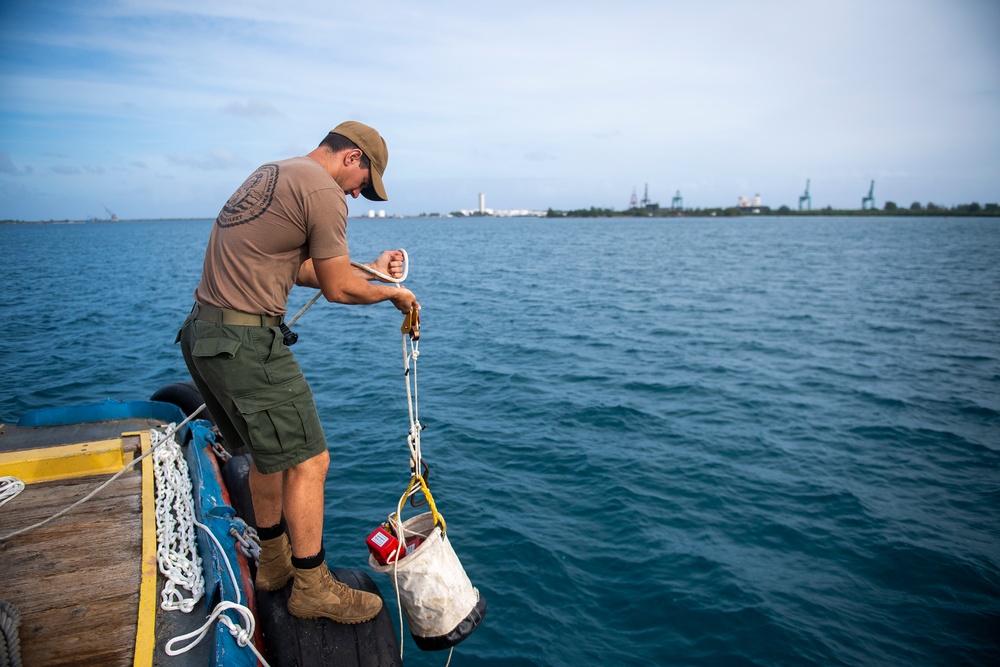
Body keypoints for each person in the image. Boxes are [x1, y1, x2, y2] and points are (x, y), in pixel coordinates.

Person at [177, 121, 419, 624]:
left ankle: (274, 563)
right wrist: (394, 294)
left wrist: (371, 268)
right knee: (310, 461)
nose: (358, 195)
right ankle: (312, 586)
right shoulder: (324, 191)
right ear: (352, 157)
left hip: (204, 336)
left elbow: (296, 266)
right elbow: (337, 289)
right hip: (245, 342)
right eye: (363, 184)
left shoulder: (275, 173)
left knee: (271, 455)